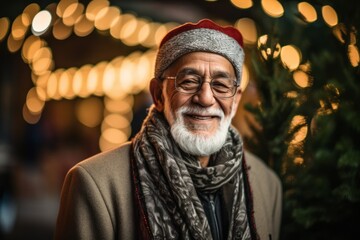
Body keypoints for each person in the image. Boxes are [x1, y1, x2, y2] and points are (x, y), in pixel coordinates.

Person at [54, 19, 282, 240]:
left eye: (221, 85)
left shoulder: (267, 185)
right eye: (189, 81)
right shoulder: (96, 184)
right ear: (157, 95)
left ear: (235, 101)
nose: (205, 98)